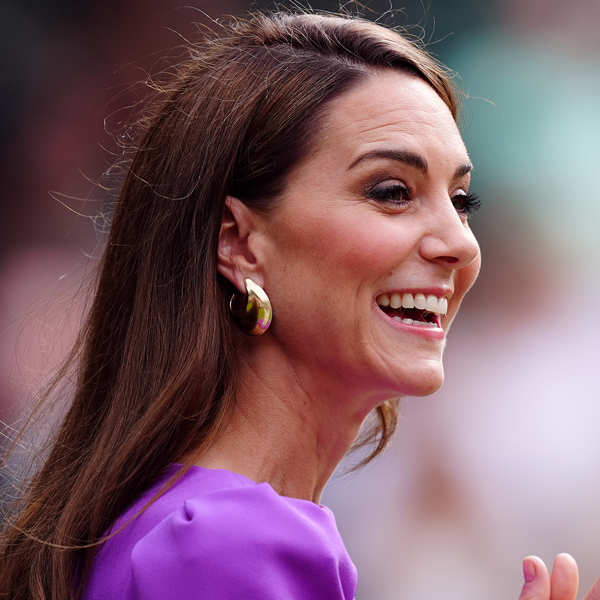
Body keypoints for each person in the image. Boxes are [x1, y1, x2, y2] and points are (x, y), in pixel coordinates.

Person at [0, 10, 598, 600]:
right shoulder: (232, 546)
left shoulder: (178, 523)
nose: (461, 245)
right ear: (238, 243)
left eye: (464, 201)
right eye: (392, 192)